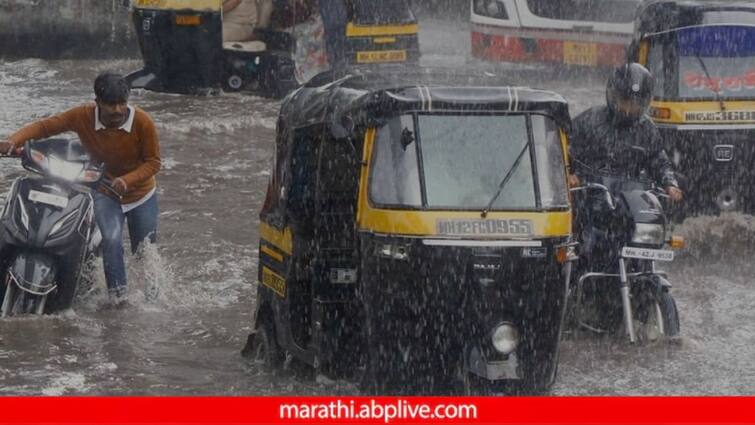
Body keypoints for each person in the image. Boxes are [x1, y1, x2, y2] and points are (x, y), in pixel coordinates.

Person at [0, 72, 161, 305]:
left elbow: (154, 162)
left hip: (140, 195)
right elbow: (46, 127)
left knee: (143, 250)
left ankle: (153, 298)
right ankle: (118, 299)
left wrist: (127, 180)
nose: (117, 110)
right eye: (110, 104)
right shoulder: (82, 115)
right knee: (112, 240)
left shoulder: (143, 122)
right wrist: (13, 141)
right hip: (106, 191)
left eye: (122, 104)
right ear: (97, 102)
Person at [569, 63, 683, 202]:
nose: (629, 109)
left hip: (630, 199)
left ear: (645, 103)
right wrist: (570, 176)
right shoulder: (590, 120)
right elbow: (565, 151)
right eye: (624, 101)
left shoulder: (647, 130)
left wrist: (670, 184)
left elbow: (658, 160)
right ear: (613, 96)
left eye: (635, 103)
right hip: (589, 196)